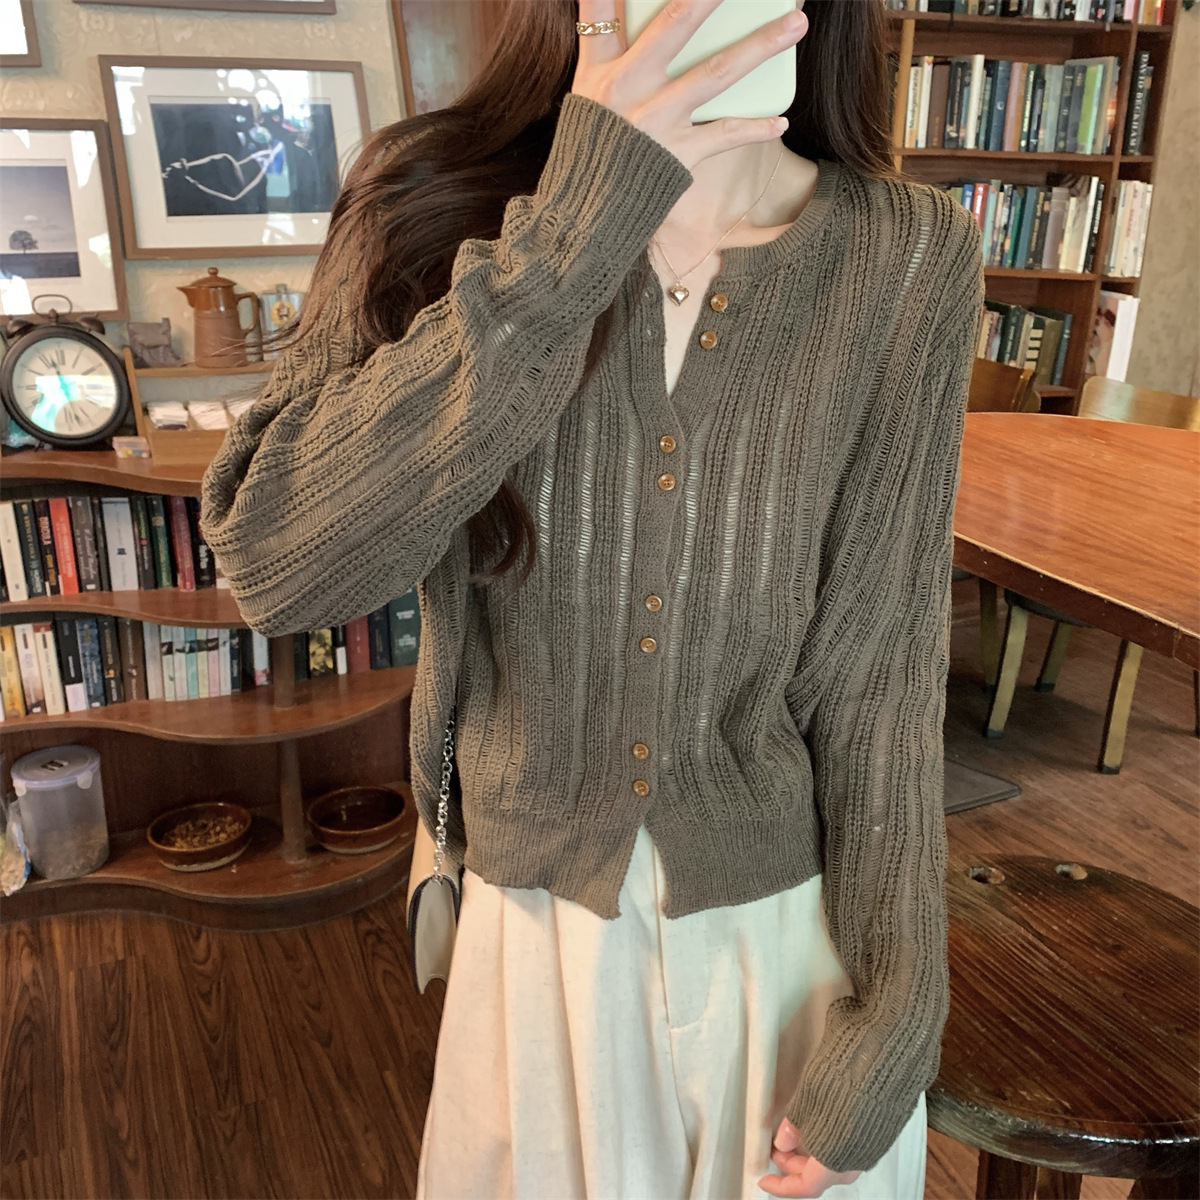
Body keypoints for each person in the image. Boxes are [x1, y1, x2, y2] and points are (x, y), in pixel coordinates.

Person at [198, 0, 984, 1196]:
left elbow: (883, 666)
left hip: (786, 949)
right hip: (534, 945)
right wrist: (573, 233)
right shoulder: (429, 203)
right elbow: (277, 566)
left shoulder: (907, 255)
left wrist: (901, 1003)